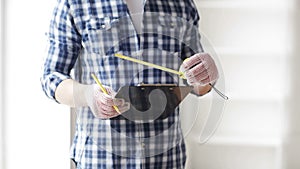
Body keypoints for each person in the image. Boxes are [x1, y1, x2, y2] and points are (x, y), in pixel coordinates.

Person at [41, 0, 219, 168]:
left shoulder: (181, 3)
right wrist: (87, 95)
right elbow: (51, 78)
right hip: (101, 159)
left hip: (167, 159)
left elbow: (198, 85)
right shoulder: (75, 3)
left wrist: (208, 76)